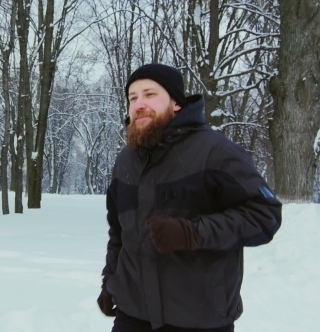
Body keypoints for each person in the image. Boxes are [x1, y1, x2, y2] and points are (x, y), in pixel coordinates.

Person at [97, 63, 282, 332]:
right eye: (132, 97)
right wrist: (110, 281)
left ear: (177, 103)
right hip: (132, 315)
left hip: (199, 319)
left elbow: (265, 215)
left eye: (150, 94)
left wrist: (193, 232)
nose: (138, 104)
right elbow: (119, 233)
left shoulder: (216, 152)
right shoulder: (126, 161)